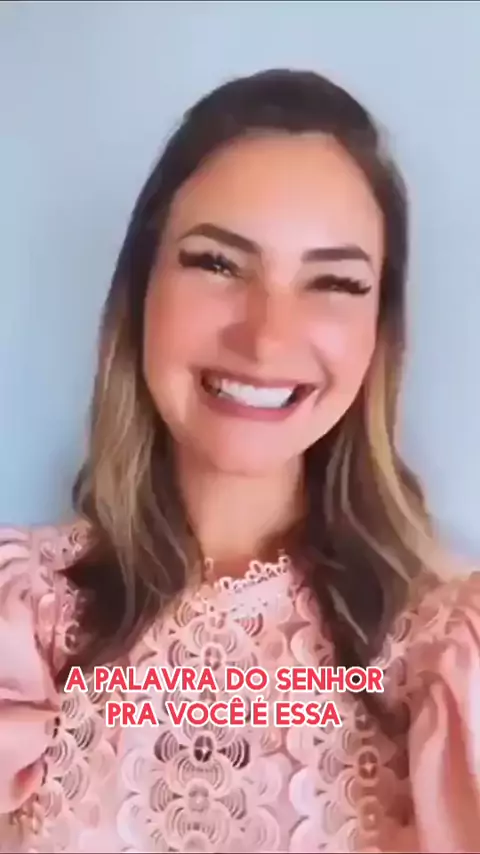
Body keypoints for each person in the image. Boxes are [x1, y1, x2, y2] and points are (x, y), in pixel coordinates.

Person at [0, 68, 479, 854]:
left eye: (334, 281)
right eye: (218, 264)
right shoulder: (23, 620)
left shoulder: (449, 660)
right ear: (139, 292)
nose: (266, 338)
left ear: (379, 336)